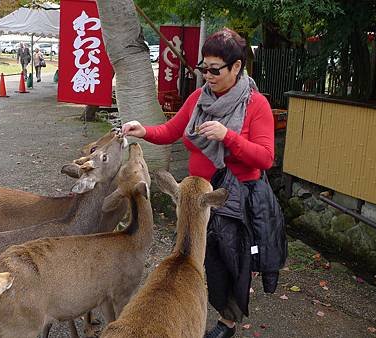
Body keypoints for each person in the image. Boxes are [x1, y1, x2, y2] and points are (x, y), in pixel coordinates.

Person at [122, 28, 287, 338]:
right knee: (201, 260)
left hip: (233, 199)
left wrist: (229, 137)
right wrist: (143, 130)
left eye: (216, 69)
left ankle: (227, 322)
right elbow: (172, 130)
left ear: (237, 67)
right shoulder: (200, 98)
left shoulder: (256, 105)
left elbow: (265, 158)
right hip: (196, 199)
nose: (208, 76)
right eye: (203, 68)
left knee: (231, 266)